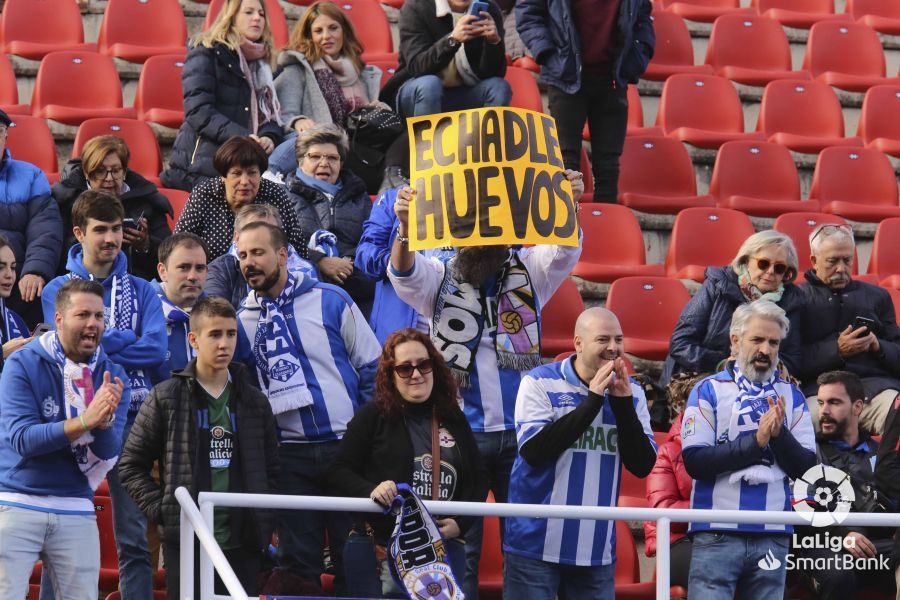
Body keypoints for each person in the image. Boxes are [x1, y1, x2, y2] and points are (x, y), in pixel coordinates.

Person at [387, 176, 583, 597]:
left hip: (523, 435)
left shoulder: (529, 272)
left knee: (526, 544)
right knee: (460, 544)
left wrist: (568, 202)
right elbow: (403, 273)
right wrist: (404, 226)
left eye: (490, 227)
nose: (481, 237)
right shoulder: (438, 277)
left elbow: (566, 250)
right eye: (471, 229)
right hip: (461, 436)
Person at [233, 221, 381, 592]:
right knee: (299, 567)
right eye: (243, 255)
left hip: (345, 451)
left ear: (282, 255)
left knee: (356, 556)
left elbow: (372, 367)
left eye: (258, 252)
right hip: (289, 458)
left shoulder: (332, 299)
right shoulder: (241, 323)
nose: (250, 262)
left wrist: (363, 434)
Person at [41, 190, 167, 600]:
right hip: (72, 417)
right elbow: (66, 348)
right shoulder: (57, 289)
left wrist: (98, 337)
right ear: (79, 233)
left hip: (129, 420)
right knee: (61, 531)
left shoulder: (144, 289)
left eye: (116, 228)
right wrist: (123, 337)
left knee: (132, 536)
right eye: (100, 230)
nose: (111, 238)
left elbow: (157, 350)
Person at [119, 297, 280, 599]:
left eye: (231, 334)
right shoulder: (166, 396)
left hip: (242, 542)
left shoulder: (255, 400)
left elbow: (272, 468)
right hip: (187, 542)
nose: (224, 344)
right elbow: (130, 465)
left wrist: (263, 516)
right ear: (193, 339)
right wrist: (164, 509)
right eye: (215, 334)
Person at [503, 307, 656, 599]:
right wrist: (592, 402)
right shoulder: (538, 382)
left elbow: (642, 465)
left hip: (595, 550)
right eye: (603, 339)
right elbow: (535, 451)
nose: (613, 347)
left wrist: (622, 405)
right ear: (578, 343)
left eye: (618, 339)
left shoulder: (631, 392)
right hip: (534, 545)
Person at [328, 328, 487, 597]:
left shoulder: (452, 416)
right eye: (404, 368)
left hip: (443, 548)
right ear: (391, 375)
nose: (416, 374)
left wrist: (462, 522)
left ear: (434, 368)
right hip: (379, 549)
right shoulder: (373, 415)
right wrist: (371, 490)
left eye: (424, 365)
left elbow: (480, 478)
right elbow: (337, 471)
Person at [0, 279, 130, 599]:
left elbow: (110, 454)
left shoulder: (112, 374)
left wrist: (102, 424)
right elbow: (22, 439)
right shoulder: (22, 363)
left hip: (75, 502)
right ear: (58, 319)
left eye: (99, 317)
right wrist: (85, 420)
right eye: (83, 314)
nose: (92, 324)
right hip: (17, 499)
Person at [681, 300, 816, 598]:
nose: (765, 350)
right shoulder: (708, 390)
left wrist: (779, 435)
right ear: (735, 341)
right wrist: (756, 442)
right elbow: (696, 461)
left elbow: (807, 470)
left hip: (773, 531)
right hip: (716, 531)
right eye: (757, 339)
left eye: (773, 342)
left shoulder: (792, 396)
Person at [515, 0, 653, 203]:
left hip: (611, 79)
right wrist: (548, 54)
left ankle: (606, 227)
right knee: (566, 161)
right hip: (565, 76)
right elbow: (528, 13)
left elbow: (643, 21)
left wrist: (634, 62)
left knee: (608, 166)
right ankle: (567, 227)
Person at [379, 0, 512, 186]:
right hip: (416, 94)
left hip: (462, 94)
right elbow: (417, 66)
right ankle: (427, 168)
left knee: (499, 87)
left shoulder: (488, 10)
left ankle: (482, 165)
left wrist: (494, 43)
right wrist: (453, 40)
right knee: (430, 85)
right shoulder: (416, 7)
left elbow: (492, 75)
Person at [268, 0, 393, 192]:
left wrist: (376, 112)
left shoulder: (362, 72)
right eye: (318, 31)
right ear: (309, 35)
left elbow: (362, 123)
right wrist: (297, 121)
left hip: (358, 148)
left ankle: (394, 181)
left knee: (404, 134)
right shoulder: (298, 68)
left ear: (344, 31)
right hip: (326, 150)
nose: (326, 36)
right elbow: (283, 114)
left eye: (333, 28)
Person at [792, 370, 896, 599]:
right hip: (822, 545)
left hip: (873, 546)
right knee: (839, 573)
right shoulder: (808, 452)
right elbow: (799, 509)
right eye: (820, 403)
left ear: (857, 407)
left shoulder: (881, 453)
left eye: (834, 402)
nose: (824, 411)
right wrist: (843, 534)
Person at [161, 0, 283, 192]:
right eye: (249, 12)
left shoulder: (264, 64)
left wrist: (269, 136)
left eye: (261, 13)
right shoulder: (205, 52)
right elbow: (198, 112)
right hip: (202, 164)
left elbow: (270, 114)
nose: (257, 18)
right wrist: (243, 137)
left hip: (245, 162)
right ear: (231, 17)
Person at [661, 230, 806, 385]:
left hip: (758, 382)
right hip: (702, 377)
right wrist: (723, 365)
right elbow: (681, 343)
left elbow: (792, 360)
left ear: (786, 273)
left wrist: (760, 365)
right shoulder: (717, 285)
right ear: (746, 260)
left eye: (779, 268)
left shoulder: (791, 302)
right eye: (763, 263)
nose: (770, 272)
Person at [798, 223, 900, 435]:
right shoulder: (797, 299)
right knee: (801, 428)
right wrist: (837, 350)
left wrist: (877, 345)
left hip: (875, 391)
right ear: (814, 260)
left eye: (847, 260)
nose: (842, 268)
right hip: (819, 394)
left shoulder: (878, 297)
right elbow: (792, 360)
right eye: (833, 261)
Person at [53, 135, 173, 281]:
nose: (109, 178)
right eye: (100, 171)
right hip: (81, 282)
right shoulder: (66, 201)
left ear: (124, 172)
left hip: (136, 283)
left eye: (116, 171)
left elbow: (169, 256)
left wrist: (145, 245)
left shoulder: (146, 200)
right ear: (87, 173)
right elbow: (56, 253)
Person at [285, 124, 375, 313]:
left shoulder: (360, 197)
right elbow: (278, 243)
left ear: (341, 164)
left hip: (356, 284)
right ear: (301, 162)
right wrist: (320, 261)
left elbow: (372, 239)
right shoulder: (282, 196)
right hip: (302, 291)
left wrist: (350, 262)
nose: (324, 163)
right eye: (315, 156)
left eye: (332, 158)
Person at [173, 136, 306, 261]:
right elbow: (179, 245)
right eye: (236, 173)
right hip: (212, 278)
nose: (244, 181)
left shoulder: (274, 194)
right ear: (223, 176)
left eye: (252, 173)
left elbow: (297, 248)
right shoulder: (204, 194)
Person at [355, 186, 455, 344]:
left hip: (460, 337)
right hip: (400, 337)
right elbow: (364, 253)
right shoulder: (393, 198)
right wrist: (398, 263)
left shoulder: (475, 193)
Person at [0, 109, 63, 328]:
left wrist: (35, 270)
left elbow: (45, 229)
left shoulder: (31, 176)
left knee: (33, 288)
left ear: (6, 137)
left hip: (16, 275)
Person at [643, 375, 700, 590]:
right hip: (677, 542)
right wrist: (717, 503)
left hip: (726, 539)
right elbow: (663, 512)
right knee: (718, 567)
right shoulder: (668, 451)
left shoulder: (737, 448)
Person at [206, 204, 317, 310]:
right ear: (236, 237)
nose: (260, 236)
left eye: (270, 231)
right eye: (252, 230)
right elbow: (213, 317)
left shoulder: (311, 273)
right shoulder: (220, 271)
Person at [152, 233, 209, 381]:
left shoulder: (218, 314)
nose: (192, 276)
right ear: (162, 271)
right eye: (184, 267)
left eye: (200, 268)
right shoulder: (142, 313)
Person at [0, 234, 31, 373]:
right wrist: (3, 353)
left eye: (12, 267)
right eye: (1, 267)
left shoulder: (16, 321)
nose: (9, 275)